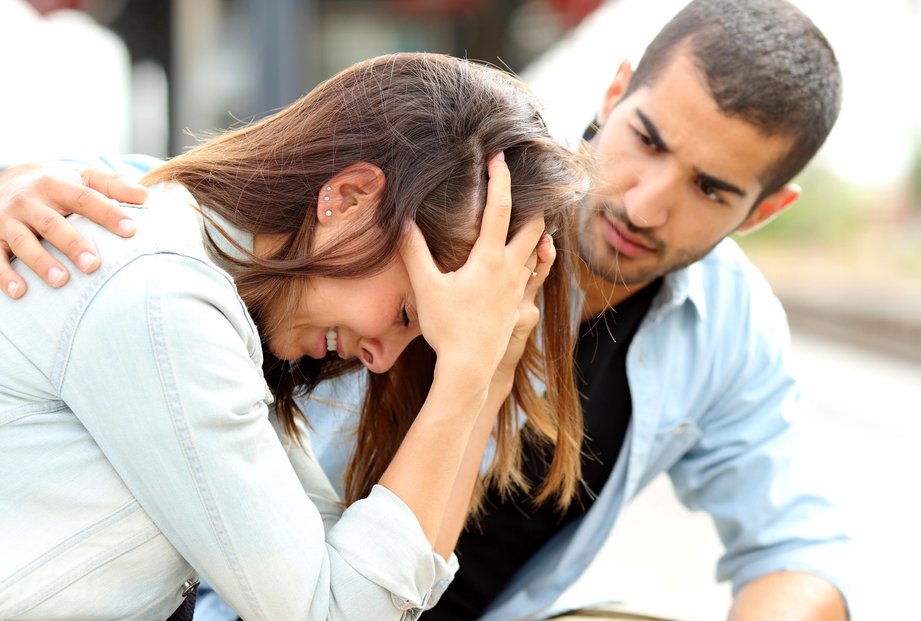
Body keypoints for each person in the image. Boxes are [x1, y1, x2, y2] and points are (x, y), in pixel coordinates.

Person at [0, 1, 854, 620]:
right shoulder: (458, 198)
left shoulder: (728, 324)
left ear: (764, 210)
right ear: (618, 90)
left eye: (711, 188)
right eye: (649, 140)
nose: (647, 203)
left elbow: (798, 551)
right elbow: (191, 216)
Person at [0, 52, 589, 620]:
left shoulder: (223, 303)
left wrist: (489, 371)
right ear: (350, 198)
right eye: (409, 310)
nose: (381, 361)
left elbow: (375, 589)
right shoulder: (162, 302)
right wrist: (463, 372)